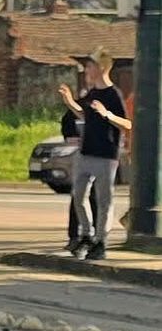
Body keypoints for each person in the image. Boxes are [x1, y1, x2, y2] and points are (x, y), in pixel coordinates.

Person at [58, 48, 132, 261]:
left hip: (105, 155)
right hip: (85, 153)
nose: (87, 70)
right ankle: (86, 235)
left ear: (102, 68)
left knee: (103, 200)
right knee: (78, 196)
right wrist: (70, 103)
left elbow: (127, 123)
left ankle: (100, 241)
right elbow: (86, 115)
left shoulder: (113, 94)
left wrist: (107, 114)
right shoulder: (92, 94)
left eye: (90, 66)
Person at [60, 104, 97, 250]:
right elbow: (67, 126)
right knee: (78, 196)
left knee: (97, 197)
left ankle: (95, 237)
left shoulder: (109, 101)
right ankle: (75, 237)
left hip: (102, 157)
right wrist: (72, 138)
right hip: (81, 156)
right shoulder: (77, 107)